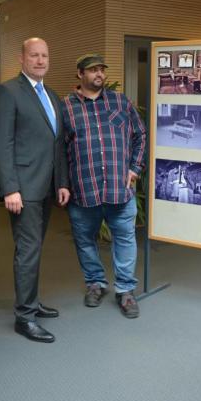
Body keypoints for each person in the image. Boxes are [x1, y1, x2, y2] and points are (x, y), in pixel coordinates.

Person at [0, 37, 70, 343]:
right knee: (27, 251)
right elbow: (2, 143)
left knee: (34, 249)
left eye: (44, 56)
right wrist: (10, 188)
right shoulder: (8, 92)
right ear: (22, 59)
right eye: (34, 55)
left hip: (46, 186)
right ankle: (24, 317)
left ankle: (32, 303)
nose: (40, 61)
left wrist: (61, 182)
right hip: (23, 189)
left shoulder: (51, 95)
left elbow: (57, 143)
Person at [61, 54, 147, 319]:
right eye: (92, 70)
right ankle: (95, 283)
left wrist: (135, 168)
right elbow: (58, 149)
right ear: (80, 74)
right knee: (85, 241)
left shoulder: (120, 102)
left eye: (101, 69)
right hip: (83, 189)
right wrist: (63, 184)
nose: (99, 74)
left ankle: (125, 290)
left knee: (125, 239)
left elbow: (140, 135)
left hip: (119, 189)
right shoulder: (66, 107)